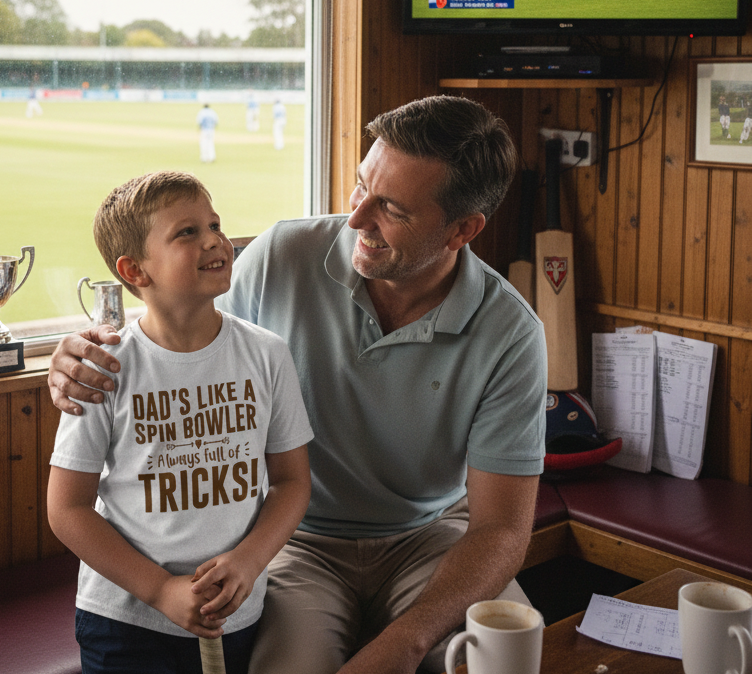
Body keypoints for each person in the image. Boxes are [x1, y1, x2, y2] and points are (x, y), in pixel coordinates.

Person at [48, 95, 547, 674]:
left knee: (500, 662)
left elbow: (503, 529)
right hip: (296, 540)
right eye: (362, 187)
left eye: (393, 209)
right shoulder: (284, 254)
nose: (356, 219)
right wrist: (78, 353)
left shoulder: (511, 331)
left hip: (430, 535)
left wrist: (404, 645)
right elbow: (176, 331)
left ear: (463, 229)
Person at [47, 171, 312, 674]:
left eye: (214, 224)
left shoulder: (268, 355)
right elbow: (68, 509)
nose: (215, 240)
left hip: (237, 615)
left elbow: (292, 481)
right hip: (126, 625)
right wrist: (161, 590)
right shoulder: (102, 368)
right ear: (135, 270)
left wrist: (251, 561)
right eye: (187, 232)